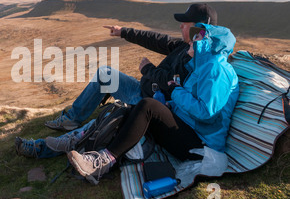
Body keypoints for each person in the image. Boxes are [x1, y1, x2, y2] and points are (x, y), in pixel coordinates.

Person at [15, 3, 218, 158]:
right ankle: (71, 119)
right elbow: (157, 39)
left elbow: (171, 84)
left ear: (200, 28)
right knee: (105, 74)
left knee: (104, 120)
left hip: (152, 105)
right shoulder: (186, 46)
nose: (181, 25)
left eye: (186, 23)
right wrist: (124, 32)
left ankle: (44, 147)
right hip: (143, 91)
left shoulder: (198, 59)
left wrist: (147, 69)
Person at [67, 23, 240, 185]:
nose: (191, 40)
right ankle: (89, 150)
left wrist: (174, 91)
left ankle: (102, 162)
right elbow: (192, 103)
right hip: (189, 131)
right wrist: (171, 105)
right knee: (132, 110)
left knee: (147, 106)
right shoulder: (202, 68)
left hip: (203, 148)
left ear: (209, 44)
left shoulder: (217, 71)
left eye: (198, 36)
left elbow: (206, 113)